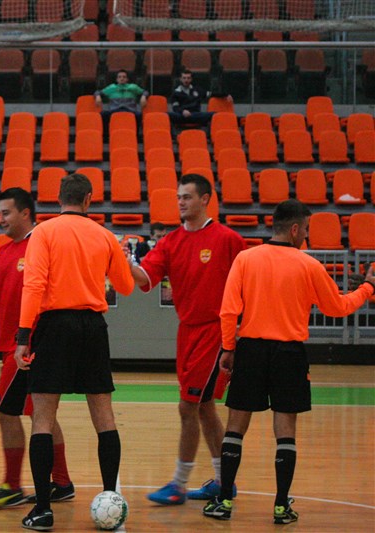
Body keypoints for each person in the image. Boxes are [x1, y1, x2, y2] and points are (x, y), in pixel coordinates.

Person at [203, 199, 375, 524]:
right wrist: (368, 288)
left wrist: (228, 348)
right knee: (285, 431)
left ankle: (223, 501)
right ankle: (281, 507)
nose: (306, 235)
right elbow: (337, 308)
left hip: (251, 350)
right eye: (306, 229)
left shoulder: (246, 259)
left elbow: (228, 310)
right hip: (289, 355)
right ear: (295, 229)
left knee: (236, 427)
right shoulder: (308, 265)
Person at [14, 174, 135, 531]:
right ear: (88, 200)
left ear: (58, 199)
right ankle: (110, 499)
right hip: (93, 327)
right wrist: (122, 259)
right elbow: (126, 287)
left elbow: (33, 285)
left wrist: (23, 336)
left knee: (43, 418)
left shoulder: (44, 233)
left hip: (54, 327)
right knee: (104, 416)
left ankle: (42, 510)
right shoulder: (105, 235)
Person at [127, 174, 246, 506]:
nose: (181, 202)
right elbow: (145, 279)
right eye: (179, 197)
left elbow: (247, 284)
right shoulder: (170, 242)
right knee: (204, 407)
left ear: (205, 199)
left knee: (188, 406)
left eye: (187, 197)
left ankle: (179, 484)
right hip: (187, 332)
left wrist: (238, 330)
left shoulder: (228, 240)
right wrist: (125, 262)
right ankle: (224, 482)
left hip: (215, 331)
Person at [0, 188, 74, 509]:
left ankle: (13, 486)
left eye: (6, 213)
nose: (0, 219)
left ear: (25, 213)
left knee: (7, 411)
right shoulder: (4, 252)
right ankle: (61, 483)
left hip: (32, 346)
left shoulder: (43, 245)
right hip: (13, 347)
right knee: (40, 414)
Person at [94, 69, 148, 134]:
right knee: (103, 114)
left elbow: (145, 92)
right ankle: (106, 135)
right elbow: (98, 92)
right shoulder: (112, 87)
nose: (122, 79)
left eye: (124, 77)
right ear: (117, 79)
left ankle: (136, 135)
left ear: (127, 79)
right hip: (115, 110)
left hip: (130, 110)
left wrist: (144, 96)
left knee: (139, 114)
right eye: (119, 77)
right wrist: (97, 96)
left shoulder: (133, 87)